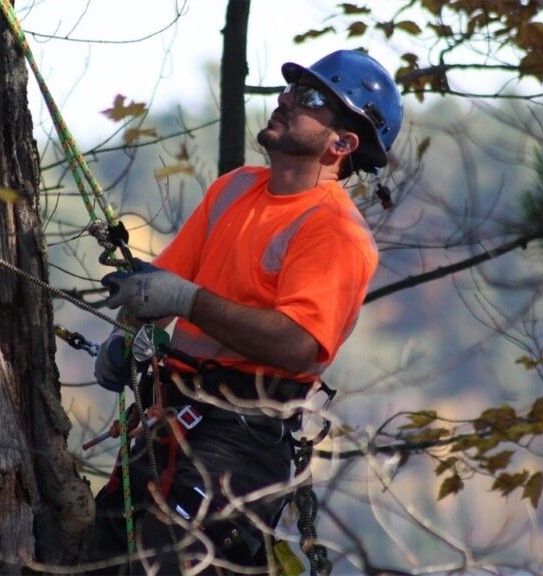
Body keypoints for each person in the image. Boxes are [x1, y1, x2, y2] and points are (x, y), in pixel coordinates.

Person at [88, 49, 403, 575]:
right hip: (172, 412)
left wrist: (185, 301)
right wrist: (125, 336)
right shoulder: (234, 188)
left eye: (309, 98)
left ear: (342, 143)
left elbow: (298, 342)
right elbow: (156, 291)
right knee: (105, 552)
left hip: (241, 437)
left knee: (168, 562)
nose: (284, 100)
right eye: (289, 89)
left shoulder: (336, 232)